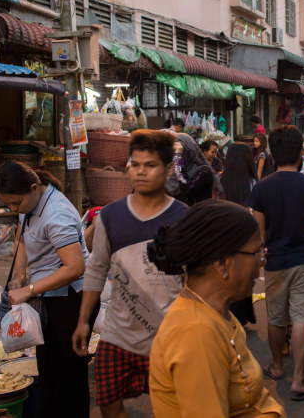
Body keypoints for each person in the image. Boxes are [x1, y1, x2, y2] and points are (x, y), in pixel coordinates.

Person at [72, 131, 189, 418]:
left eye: (150, 165)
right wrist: (83, 322)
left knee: (177, 409)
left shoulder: (184, 217)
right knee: (109, 407)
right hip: (117, 335)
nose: (140, 172)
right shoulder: (110, 216)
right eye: (135, 164)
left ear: (168, 169)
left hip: (169, 337)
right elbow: (96, 269)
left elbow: (196, 277)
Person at [147, 200, 286, 418]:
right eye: (257, 253)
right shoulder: (196, 331)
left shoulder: (215, 313)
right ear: (222, 264)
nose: (261, 262)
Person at [0, 162, 90, 417]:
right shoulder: (29, 204)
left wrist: (29, 289)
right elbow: (22, 237)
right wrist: (18, 275)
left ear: (34, 188)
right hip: (47, 297)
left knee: (68, 374)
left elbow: (75, 266)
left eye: (16, 204)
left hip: (70, 300)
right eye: (10, 205)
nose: (15, 209)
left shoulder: (56, 213)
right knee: (48, 368)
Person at [249, 125, 304, 401]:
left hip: (275, 263)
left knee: (275, 318)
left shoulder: (261, 188)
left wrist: (256, 259)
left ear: (272, 156)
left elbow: (258, 232)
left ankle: (276, 366)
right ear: (300, 155)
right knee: (301, 318)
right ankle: (299, 380)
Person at [219, 143, 259, 326]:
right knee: (244, 277)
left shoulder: (220, 180)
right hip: (246, 236)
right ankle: (241, 318)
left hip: (225, 236)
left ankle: (227, 317)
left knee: (226, 277)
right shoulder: (253, 183)